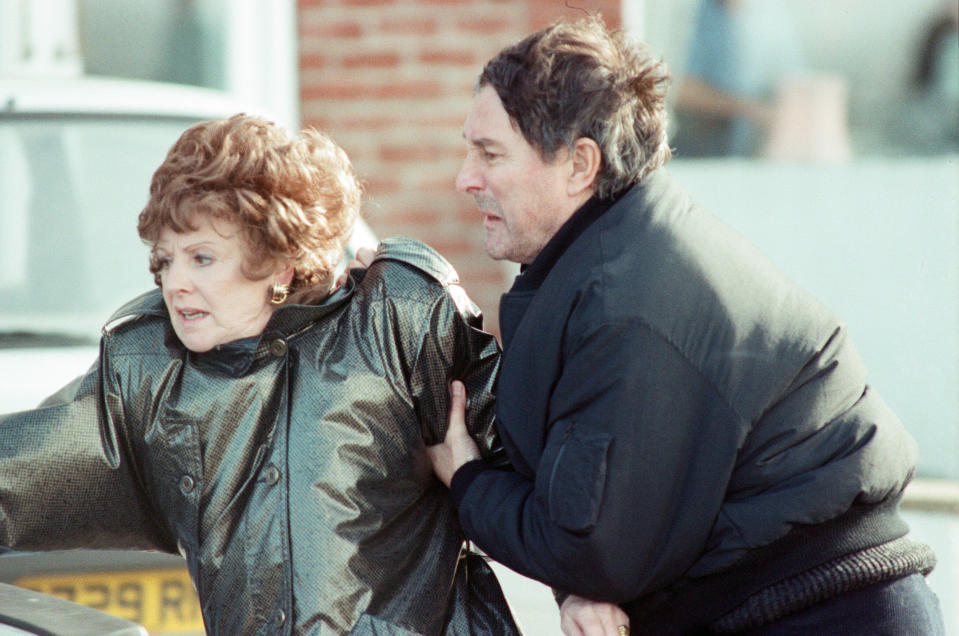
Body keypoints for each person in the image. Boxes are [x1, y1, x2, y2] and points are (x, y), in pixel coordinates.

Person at [425, 16, 946, 635]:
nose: (466, 178)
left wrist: (465, 476)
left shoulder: (630, 303)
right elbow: (601, 510)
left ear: (579, 165)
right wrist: (581, 587)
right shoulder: (611, 259)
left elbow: (591, 545)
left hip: (827, 614)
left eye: (490, 153)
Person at [0, 114, 521, 635]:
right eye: (164, 260)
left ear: (279, 260)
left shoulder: (391, 318)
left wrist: (580, 585)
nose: (175, 282)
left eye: (202, 258)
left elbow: (553, 471)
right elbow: (24, 468)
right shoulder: (149, 369)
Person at [672, 0, 805, 157]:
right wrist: (748, 109)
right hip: (696, 155)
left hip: (753, 155)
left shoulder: (772, 17)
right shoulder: (692, 14)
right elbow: (674, 88)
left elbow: (796, 81)